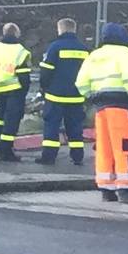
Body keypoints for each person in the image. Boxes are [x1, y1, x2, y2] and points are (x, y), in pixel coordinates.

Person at [77, 22, 128, 202]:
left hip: (101, 108)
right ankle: (125, 189)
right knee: (124, 147)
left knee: (104, 149)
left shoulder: (94, 55)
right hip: (121, 107)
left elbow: (80, 83)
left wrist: (92, 97)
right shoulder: (126, 53)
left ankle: (106, 189)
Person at [33, 18, 90, 166]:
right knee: (75, 127)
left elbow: (46, 71)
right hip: (76, 96)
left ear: (60, 29)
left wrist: (44, 88)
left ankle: (49, 156)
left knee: (52, 126)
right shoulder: (84, 49)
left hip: (55, 95)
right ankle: (77, 156)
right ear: (74, 29)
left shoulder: (55, 47)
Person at [0, 23, 32, 162]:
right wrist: (24, 92)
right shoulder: (20, 51)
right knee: (11, 120)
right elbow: (24, 77)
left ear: (4, 33)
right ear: (17, 34)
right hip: (15, 89)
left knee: (0, 114)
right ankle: (6, 151)